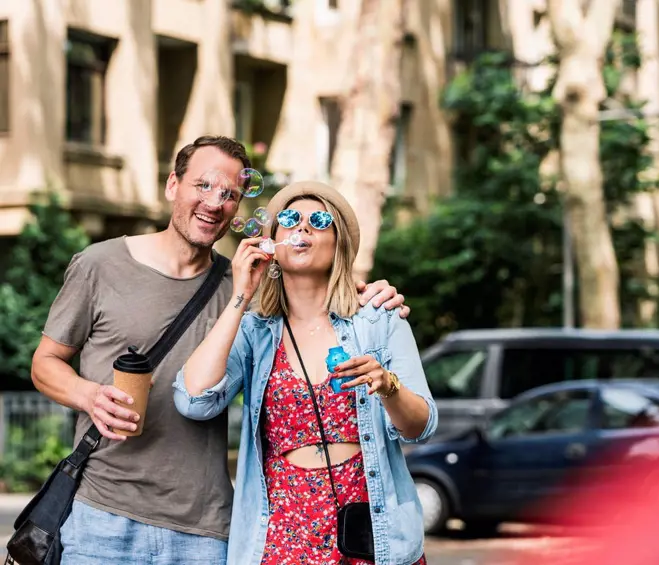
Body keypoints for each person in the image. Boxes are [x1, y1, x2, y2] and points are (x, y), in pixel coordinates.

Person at [30, 136, 409, 564]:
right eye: (203, 186)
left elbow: (320, 296)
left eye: (230, 194)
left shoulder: (249, 285)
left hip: (205, 528)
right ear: (173, 184)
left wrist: (372, 293)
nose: (215, 202)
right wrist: (88, 395)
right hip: (103, 515)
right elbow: (45, 363)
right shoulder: (100, 265)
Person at [174, 180, 438, 565]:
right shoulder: (255, 332)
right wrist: (240, 296)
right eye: (289, 219)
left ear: (339, 243)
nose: (303, 228)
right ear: (273, 244)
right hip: (282, 529)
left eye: (318, 220)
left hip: (369, 528)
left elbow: (422, 427)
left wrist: (388, 387)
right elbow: (193, 399)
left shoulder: (377, 321)